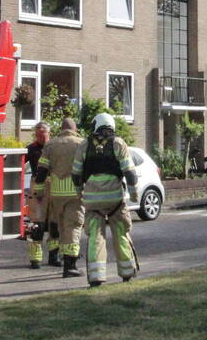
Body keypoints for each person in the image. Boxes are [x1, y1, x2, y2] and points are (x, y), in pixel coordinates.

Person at [72, 113, 138, 287]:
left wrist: (79, 193)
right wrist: (134, 193)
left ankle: (96, 277)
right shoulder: (118, 144)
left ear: (95, 126)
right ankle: (127, 273)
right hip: (115, 200)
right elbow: (130, 173)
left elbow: (76, 174)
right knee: (121, 233)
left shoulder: (84, 145)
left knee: (96, 237)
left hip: (93, 202)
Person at [35, 117, 85, 276]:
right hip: (74, 193)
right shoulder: (81, 143)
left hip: (56, 193)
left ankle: (59, 256)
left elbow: (41, 170)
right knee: (73, 226)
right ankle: (70, 266)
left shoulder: (50, 145)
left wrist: (39, 191)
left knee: (60, 226)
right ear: (75, 129)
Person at [25, 121, 50, 269]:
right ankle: (36, 259)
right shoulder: (31, 149)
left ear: (49, 134)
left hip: (52, 184)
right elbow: (19, 161)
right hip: (36, 186)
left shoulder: (53, 148)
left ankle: (54, 256)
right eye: (38, 135)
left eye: (43, 134)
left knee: (54, 223)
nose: (40, 138)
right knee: (37, 223)